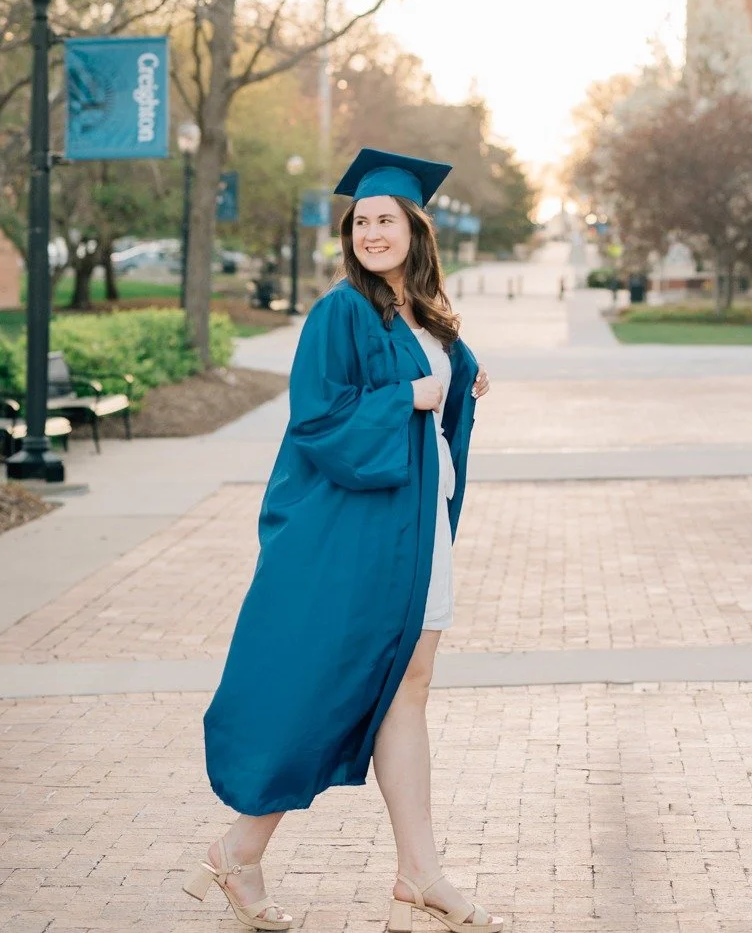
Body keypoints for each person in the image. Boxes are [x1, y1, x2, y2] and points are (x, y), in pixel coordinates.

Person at [186, 148, 501, 932]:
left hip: (413, 529)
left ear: (414, 229)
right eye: (361, 220)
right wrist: (410, 394)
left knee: (409, 684)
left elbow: (436, 388)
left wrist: (460, 376)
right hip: (361, 534)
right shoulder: (341, 311)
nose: (371, 231)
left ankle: (417, 871)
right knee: (335, 681)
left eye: (385, 218)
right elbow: (318, 418)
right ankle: (242, 848)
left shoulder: (420, 311)